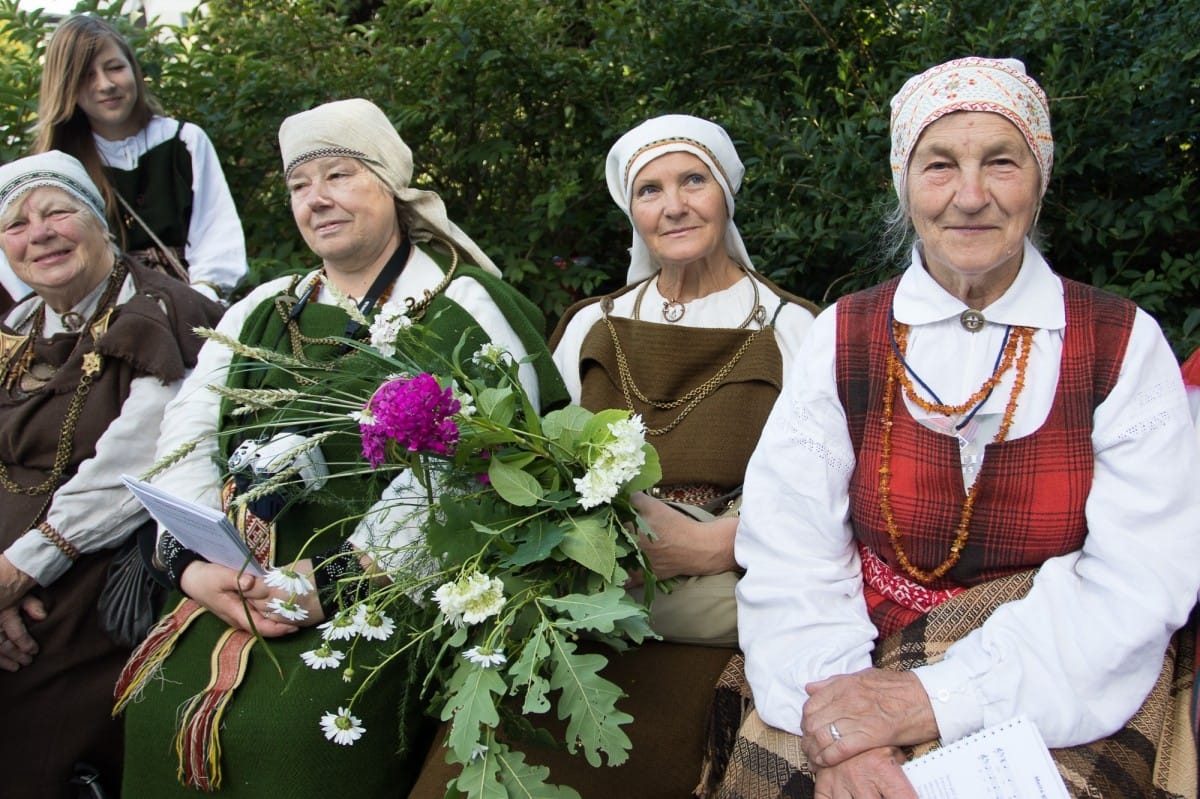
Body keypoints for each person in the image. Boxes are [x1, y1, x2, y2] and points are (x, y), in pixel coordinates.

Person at [707, 57, 1200, 798]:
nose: (970, 196)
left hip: (1060, 658)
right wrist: (844, 731)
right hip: (849, 646)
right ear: (903, 183)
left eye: (1001, 161)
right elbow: (791, 546)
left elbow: (1140, 574)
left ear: (1039, 179)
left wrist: (932, 699)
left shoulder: (1120, 342)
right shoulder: (845, 335)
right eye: (940, 165)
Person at [115, 98, 567, 797]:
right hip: (237, 578)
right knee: (152, 703)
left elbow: (467, 475)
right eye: (299, 185)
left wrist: (320, 587)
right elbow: (185, 437)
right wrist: (196, 568)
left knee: (293, 731)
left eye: (339, 175)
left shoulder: (465, 307)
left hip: (393, 584)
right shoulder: (263, 308)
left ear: (389, 184)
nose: (316, 199)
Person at [410, 114, 818, 798]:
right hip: (576, 606)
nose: (675, 204)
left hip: (717, 615)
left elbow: (827, 493)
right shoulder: (590, 326)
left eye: (694, 180)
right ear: (633, 211)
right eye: (651, 189)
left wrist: (716, 544)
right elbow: (531, 463)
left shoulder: (793, 328)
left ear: (725, 193)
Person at [0, 150, 223, 797]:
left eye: (57, 212)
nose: (38, 233)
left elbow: (133, 463)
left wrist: (17, 574)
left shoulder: (162, 311)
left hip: (91, 567)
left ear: (100, 223)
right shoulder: (16, 329)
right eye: (17, 223)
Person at [0, 14, 247, 305]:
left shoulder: (184, 141)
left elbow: (217, 236)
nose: (105, 84)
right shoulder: (58, 167)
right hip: (102, 314)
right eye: (87, 75)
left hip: (191, 303)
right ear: (67, 86)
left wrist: (197, 301)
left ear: (133, 68)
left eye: (115, 68)